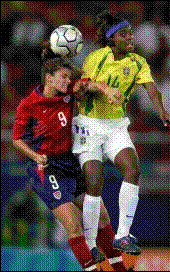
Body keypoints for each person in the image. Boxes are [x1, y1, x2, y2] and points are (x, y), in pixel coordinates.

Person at [12, 42, 131, 271]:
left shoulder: (67, 92)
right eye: (64, 77)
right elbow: (16, 139)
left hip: (70, 162)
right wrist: (35, 155)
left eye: (69, 78)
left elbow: (88, 83)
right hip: (47, 169)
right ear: (49, 78)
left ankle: (120, 269)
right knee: (75, 226)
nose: (68, 81)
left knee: (102, 217)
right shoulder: (28, 105)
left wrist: (106, 90)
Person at [72, 10, 170, 256]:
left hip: (116, 126)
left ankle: (122, 235)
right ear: (112, 39)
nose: (130, 38)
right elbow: (83, 86)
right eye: (124, 34)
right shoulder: (96, 57)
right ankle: (90, 244)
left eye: (131, 33)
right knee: (94, 181)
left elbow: (152, 89)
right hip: (89, 125)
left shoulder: (138, 62)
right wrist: (101, 91)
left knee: (133, 168)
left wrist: (162, 111)